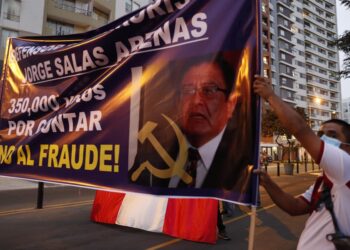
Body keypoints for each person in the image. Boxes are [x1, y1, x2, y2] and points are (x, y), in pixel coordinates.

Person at [129, 53, 253, 191]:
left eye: (209, 90)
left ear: (230, 105)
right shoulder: (152, 152)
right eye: (188, 91)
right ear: (177, 103)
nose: (196, 101)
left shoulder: (243, 166)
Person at [253, 75, 350, 249]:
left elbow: (300, 129)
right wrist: (268, 183)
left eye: (333, 135)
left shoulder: (346, 166)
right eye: (321, 134)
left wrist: (270, 96)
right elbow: (295, 207)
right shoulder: (324, 181)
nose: (324, 139)